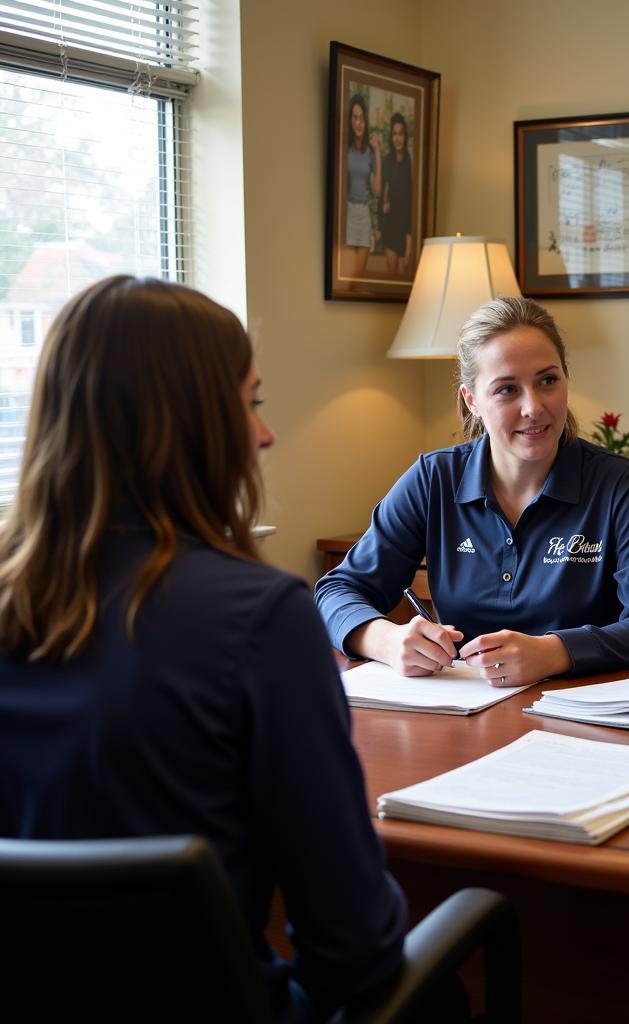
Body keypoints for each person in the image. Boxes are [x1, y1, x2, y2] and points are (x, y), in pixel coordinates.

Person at [0, 276, 406, 1020]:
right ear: (189, 422)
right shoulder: (259, 617)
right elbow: (354, 952)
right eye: (249, 402)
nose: (265, 433)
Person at [315, 296, 629, 685]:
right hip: (462, 713)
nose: (534, 406)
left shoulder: (622, 487)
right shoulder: (434, 478)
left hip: (583, 719)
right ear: (472, 400)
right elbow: (338, 590)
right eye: (507, 390)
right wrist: (387, 640)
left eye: (548, 380)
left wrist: (554, 652)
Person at [338, 92, 382, 281]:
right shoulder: (344, 149)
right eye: (355, 118)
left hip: (363, 215)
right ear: (350, 120)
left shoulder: (370, 153)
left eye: (362, 118)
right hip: (347, 213)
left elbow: (378, 191)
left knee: (359, 277)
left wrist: (378, 152)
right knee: (347, 277)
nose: (358, 123)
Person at [380, 111, 414, 275]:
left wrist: (409, 242)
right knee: (391, 277)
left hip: (406, 230)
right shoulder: (386, 162)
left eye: (400, 133)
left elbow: (411, 205)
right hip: (390, 228)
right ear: (391, 136)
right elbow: (382, 194)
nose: (397, 138)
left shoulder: (411, 165)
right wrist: (384, 204)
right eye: (394, 134)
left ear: (405, 136)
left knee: (403, 276)